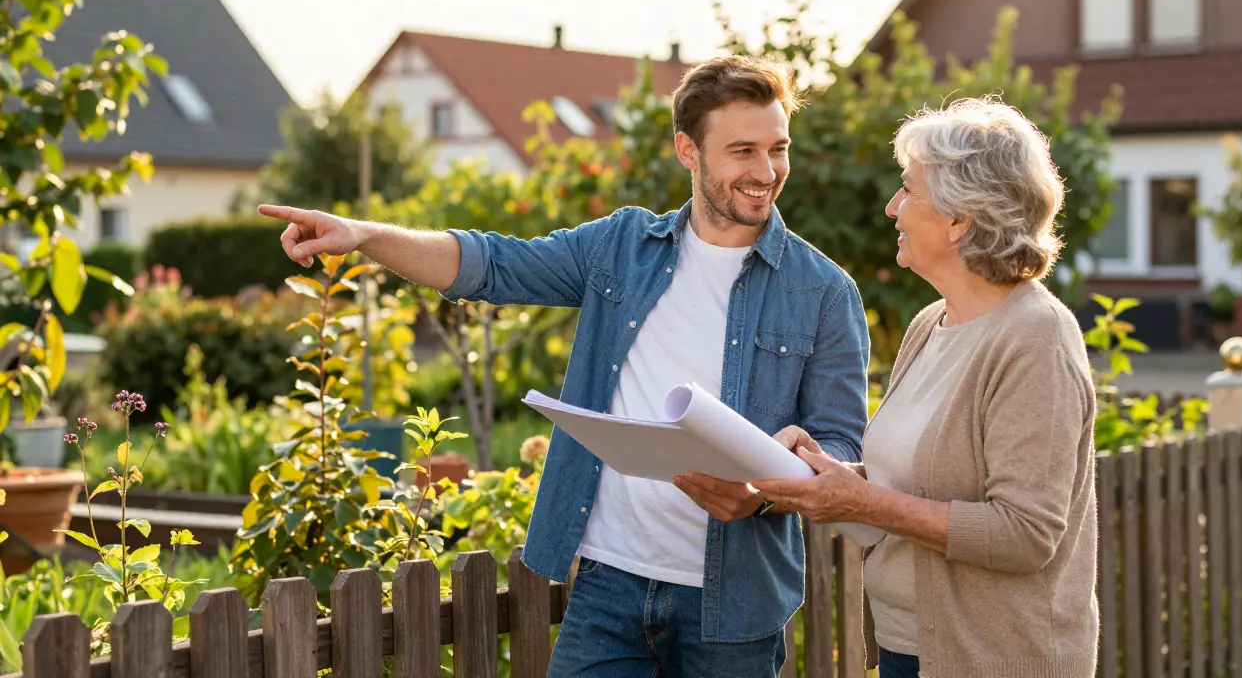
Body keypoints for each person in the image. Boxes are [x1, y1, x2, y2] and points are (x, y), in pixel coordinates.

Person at [258, 54, 870, 676]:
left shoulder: (824, 291)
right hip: (609, 585)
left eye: (778, 149)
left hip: (736, 606)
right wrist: (364, 235)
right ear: (688, 150)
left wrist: (763, 496)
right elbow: (490, 264)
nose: (766, 171)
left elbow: (842, 447)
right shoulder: (621, 247)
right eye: (743, 151)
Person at [755, 96, 1100, 678]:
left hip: (995, 660)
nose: (893, 208)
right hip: (907, 649)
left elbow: (1025, 533)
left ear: (960, 218)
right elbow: (912, 483)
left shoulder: (1035, 339)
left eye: (908, 191)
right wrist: (825, 477)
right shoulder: (930, 323)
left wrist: (863, 501)